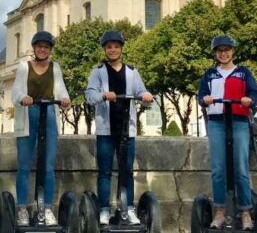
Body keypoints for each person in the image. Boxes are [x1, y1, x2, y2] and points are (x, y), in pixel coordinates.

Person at [85, 30, 154, 226]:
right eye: (109, 47)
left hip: (127, 129)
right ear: (105, 50)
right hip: (106, 130)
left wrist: (146, 95)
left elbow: (142, 92)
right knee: (105, 171)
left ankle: (128, 208)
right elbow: (89, 96)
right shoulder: (98, 72)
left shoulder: (132, 72)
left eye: (116, 46)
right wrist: (103, 95)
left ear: (121, 49)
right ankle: (104, 209)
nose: (113, 50)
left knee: (127, 170)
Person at [197, 35, 257, 230]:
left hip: (239, 120)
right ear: (216, 54)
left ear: (233, 51)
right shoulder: (210, 74)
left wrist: (249, 100)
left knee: (241, 168)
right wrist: (205, 99)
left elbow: (254, 94)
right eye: (220, 51)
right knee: (218, 169)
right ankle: (220, 211)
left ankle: (245, 212)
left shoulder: (243, 72)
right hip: (217, 122)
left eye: (227, 50)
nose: (223, 54)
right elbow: (201, 96)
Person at [10, 31, 71, 226]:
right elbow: (16, 91)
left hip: (49, 115)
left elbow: (60, 89)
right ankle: (22, 209)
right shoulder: (23, 67)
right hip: (28, 115)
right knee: (24, 165)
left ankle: (47, 209)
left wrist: (64, 99)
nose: (42, 49)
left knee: (48, 166)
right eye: (39, 46)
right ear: (34, 48)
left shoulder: (55, 68)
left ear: (50, 50)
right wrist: (23, 98)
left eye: (46, 47)